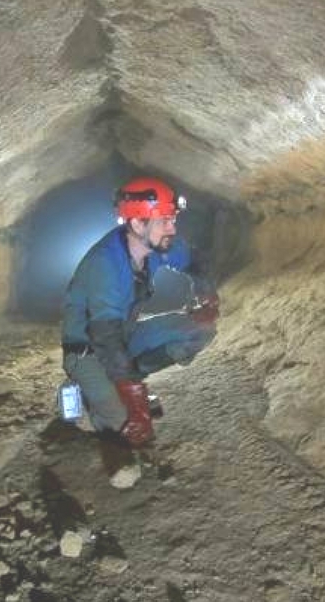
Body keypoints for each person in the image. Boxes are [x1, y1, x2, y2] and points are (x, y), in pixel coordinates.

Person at [60, 177, 219, 447]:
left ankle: (121, 382)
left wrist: (205, 291)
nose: (172, 228)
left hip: (126, 336)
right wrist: (134, 399)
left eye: (173, 219)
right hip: (89, 351)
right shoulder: (106, 264)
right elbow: (105, 337)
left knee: (199, 330)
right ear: (137, 223)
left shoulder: (154, 245)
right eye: (164, 221)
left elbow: (194, 259)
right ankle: (85, 395)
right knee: (130, 430)